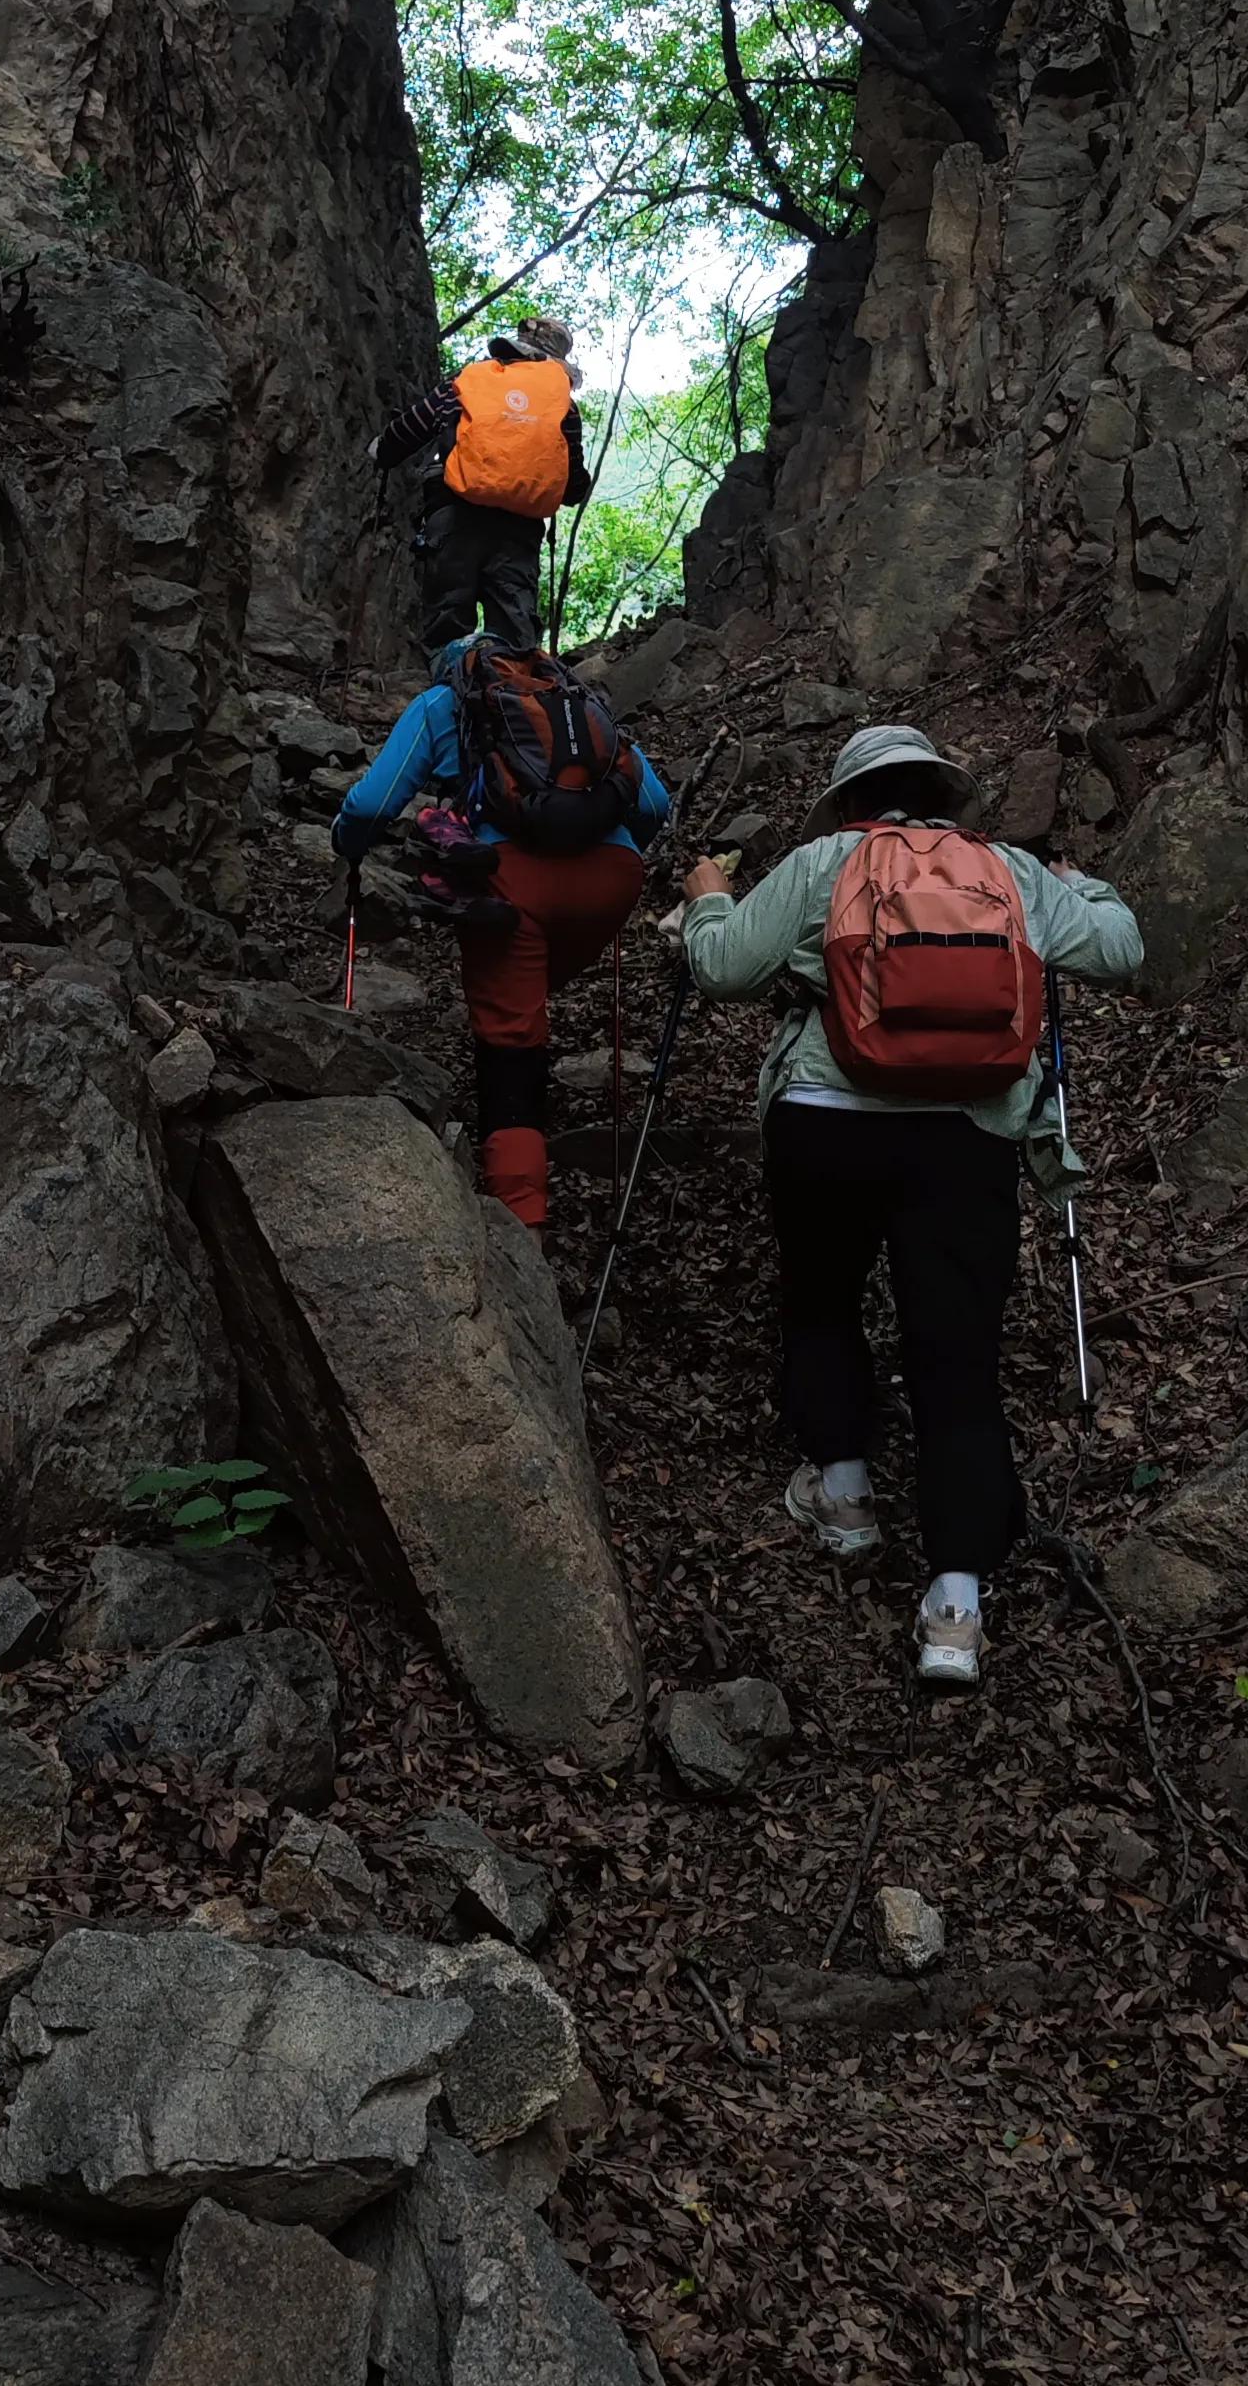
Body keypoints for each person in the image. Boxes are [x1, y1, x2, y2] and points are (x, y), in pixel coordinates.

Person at [681, 722, 1142, 1688]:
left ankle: (845, 1493)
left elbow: (722, 970)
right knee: (958, 1356)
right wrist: (1084, 884)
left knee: (821, 1297)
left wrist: (708, 901)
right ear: (942, 793)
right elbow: (1119, 948)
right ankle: (954, 1607)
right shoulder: (1004, 869)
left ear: (851, 801)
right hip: (967, 1133)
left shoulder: (822, 863)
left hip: (822, 1120)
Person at [333, 648, 669, 1232]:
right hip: (614, 876)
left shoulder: (445, 703)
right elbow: (655, 804)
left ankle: (522, 1226)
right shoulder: (572, 704)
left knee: (511, 1040)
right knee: (531, 989)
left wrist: (348, 844)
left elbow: (371, 802)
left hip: (512, 880)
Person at [368, 316, 591, 658]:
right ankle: (504, 702)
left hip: (453, 515)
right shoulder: (563, 406)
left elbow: (413, 427)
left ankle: (444, 700)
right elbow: (574, 487)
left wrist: (381, 450)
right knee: (514, 636)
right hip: (519, 530)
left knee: (445, 625)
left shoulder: (468, 382)